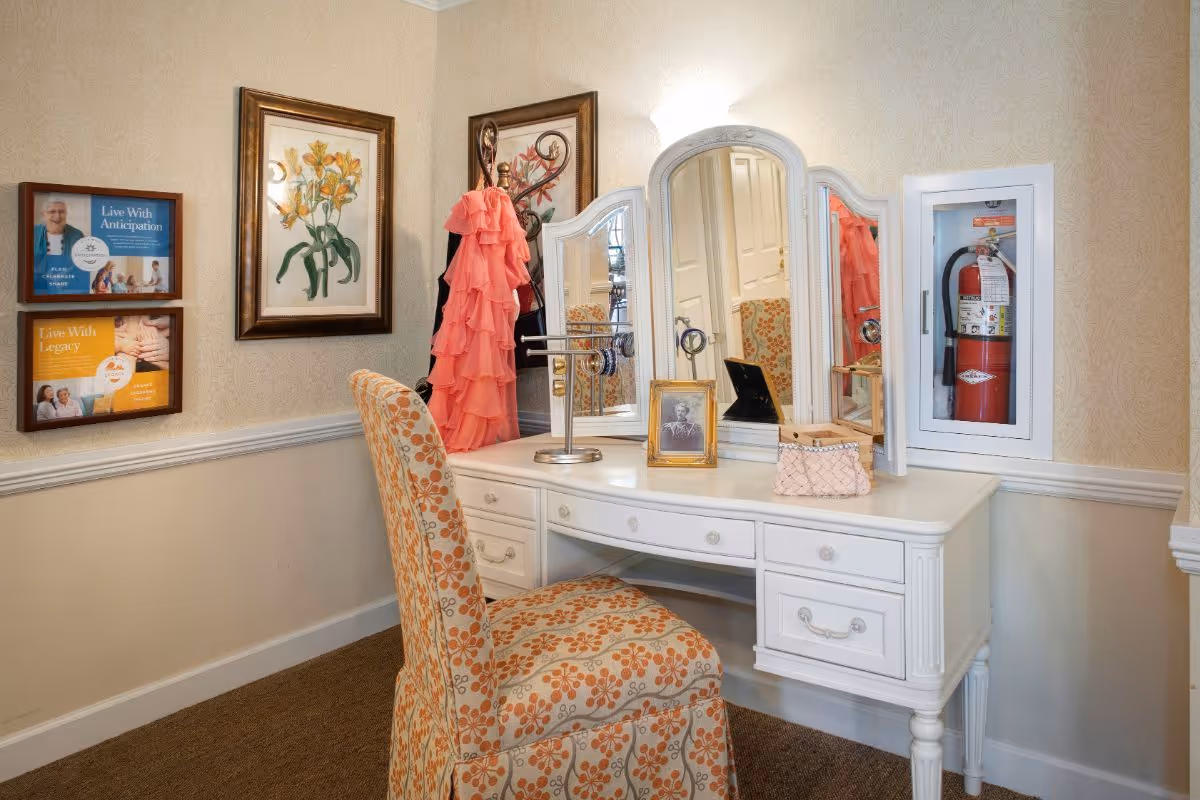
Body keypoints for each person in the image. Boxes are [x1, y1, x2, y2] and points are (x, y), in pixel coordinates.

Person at [32, 196, 86, 292]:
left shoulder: (77, 235)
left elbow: (83, 265)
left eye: (61, 212)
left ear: (66, 214)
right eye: (52, 212)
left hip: (67, 288)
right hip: (37, 289)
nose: (57, 216)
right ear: (44, 214)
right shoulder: (32, 232)